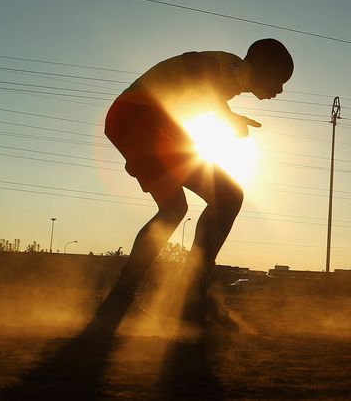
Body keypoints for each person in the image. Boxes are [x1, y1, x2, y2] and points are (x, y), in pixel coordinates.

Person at [89, 39, 293, 335]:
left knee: (174, 209)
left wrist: (227, 114)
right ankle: (190, 295)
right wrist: (225, 115)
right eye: (280, 79)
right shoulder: (236, 67)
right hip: (143, 116)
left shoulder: (230, 79)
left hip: (131, 118)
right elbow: (196, 68)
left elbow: (193, 86)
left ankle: (119, 301)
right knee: (228, 195)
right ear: (264, 68)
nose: (280, 90)